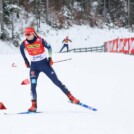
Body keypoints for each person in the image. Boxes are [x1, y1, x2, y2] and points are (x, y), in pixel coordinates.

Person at [20, 27, 79, 112]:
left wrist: (50, 58)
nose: (27, 36)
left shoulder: (40, 40)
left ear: (33, 33)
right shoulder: (24, 43)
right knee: (33, 85)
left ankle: (71, 97)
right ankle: (34, 105)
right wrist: (25, 60)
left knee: (56, 81)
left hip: (44, 65)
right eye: (25, 34)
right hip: (34, 67)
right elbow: (21, 49)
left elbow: (49, 48)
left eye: (28, 34)